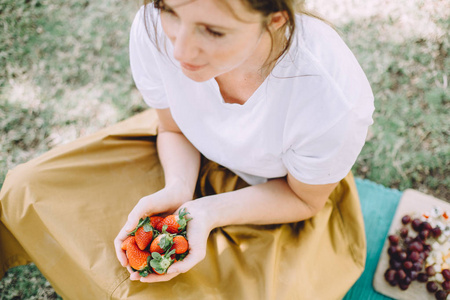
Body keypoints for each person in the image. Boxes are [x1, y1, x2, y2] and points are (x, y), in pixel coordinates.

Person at [0, 0, 374, 299]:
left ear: (274, 20)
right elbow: (173, 128)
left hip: (273, 195)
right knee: (24, 188)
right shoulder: (151, 27)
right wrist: (177, 189)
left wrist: (205, 212)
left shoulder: (331, 99)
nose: (179, 49)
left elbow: (304, 200)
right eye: (170, 10)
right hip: (180, 153)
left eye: (213, 31)